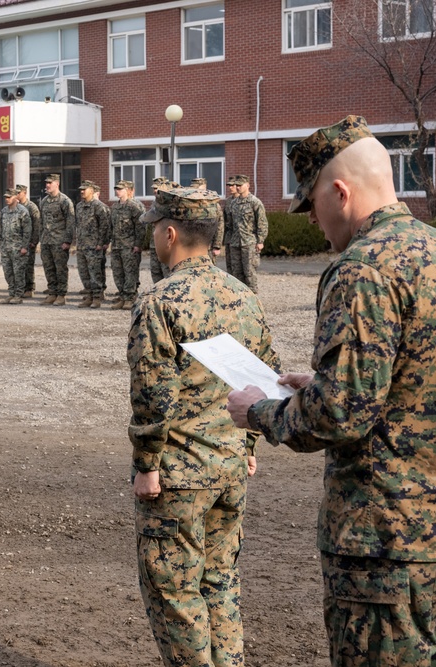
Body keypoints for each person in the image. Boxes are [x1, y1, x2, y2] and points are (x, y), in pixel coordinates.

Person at [225, 116, 436, 667]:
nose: (315, 221)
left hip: (384, 542)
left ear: (339, 192)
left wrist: (261, 412)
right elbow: (416, 381)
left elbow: (340, 415)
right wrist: (319, 383)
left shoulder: (361, 270)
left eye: (312, 204)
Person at [130, 185, 278, 667]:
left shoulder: (160, 301)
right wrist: (251, 441)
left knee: (175, 593)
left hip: (178, 474)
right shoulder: (244, 296)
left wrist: (146, 465)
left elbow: (152, 396)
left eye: (156, 230)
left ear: (169, 234)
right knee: (220, 582)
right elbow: (265, 376)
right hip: (231, 465)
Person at [223, 175, 267, 293]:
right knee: (236, 272)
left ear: (247, 185)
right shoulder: (233, 203)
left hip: (249, 242)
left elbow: (262, 223)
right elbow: (229, 224)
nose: (237, 187)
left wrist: (260, 241)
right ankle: (239, 297)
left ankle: (253, 298)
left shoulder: (255, 202)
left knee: (249, 272)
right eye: (236, 185)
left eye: (239, 185)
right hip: (235, 243)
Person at [38, 173, 75, 306]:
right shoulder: (44, 201)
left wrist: (67, 241)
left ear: (57, 184)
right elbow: (41, 222)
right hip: (46, 241)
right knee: (48, 268)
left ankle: (61, 295)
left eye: (50, 183)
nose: (47, 185)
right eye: (46, 183)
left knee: (60, 269)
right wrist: (40, 239)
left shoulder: (65, 201)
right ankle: (52, 293)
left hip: (59, 241)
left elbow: (70, 222)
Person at [108, 179, 145, 310]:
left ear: (128, 191)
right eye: (116, 189)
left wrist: (138, 244)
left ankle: (130, 298)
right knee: (118, 272)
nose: (117, 191)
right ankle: (123, 297)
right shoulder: (115, 206)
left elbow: (140, 227)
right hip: (117, 245)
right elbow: (111, 226)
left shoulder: (134, 206)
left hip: (129, 245)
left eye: (120, 189)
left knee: (130, 272)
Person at [74, 180, 111, 309]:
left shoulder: (99, 206)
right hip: (82, 245)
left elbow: (105, 227)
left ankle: (97, 297)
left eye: (85, 189)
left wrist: (101, 243)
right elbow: (78, 225)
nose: (82, 192)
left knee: (95, 272)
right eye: (81, 189)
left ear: (92, 191)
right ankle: (89, 295)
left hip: (94, 246)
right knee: (83, 272)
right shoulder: (79, 206)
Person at [0, 187, 31, 304]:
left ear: (16, 197)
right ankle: (11, 293)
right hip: (6, 247)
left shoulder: (22, 211)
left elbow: (27, 231)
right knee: (8, 272)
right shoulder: (3, 211)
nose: (7, 199)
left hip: (18, 248)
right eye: (5, 197)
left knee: (18, 272)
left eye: (9, 197)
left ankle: (18, 294)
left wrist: (24, 247)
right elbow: (1, 229)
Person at [147, 177, 175, 284]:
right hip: (154, 243)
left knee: (167, 272)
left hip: (166, 243)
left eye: (157, 188)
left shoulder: (171, 204)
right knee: (155, 270)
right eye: (154, 188)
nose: (155, 190)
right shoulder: (154, 204)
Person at [15, 184, 40, 298]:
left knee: (28, 266)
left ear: (24, 193)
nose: (16, 195)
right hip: (18, 242)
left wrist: (34, 241)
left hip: (29, 242)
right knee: (19, 266)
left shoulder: (31, 207)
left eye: (18, 193)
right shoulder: (17, 207)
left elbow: (37, 225)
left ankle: (30, 288)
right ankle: (21, 287)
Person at [192, 177, 224, 257]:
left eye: (198, 189)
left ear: (204, 188)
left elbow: (220, 225)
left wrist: (217, 246)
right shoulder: (190, 204)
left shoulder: (213, 204)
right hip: (191, 246)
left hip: (207, 246)